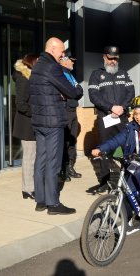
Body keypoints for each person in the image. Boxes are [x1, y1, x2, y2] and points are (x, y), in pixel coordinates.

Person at [29, 37, 83, 214]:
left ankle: (41, 201)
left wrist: (59, 93)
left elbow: (44, 91)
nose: (63, 55)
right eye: (61, 51)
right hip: (52, 122)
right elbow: (72, 91)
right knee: (53, 162)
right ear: (52, 49)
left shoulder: (37, 66)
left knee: (41, 161)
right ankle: (53, 204)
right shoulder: (53, 67)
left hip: (39, 121)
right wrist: (71, 92)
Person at [88, 46, 135, 193]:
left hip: (122, 117)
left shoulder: (124, 74)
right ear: (104, 57)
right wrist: (110, 107)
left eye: (115, 58)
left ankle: (127, 180)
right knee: (104, 149)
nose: (113, 61)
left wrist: (122, 107)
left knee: (127, 148)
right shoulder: (96, 75)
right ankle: (104, 181)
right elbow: (93, 96)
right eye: (110, 58)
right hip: (106, 118)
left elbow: (131, 93)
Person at [12, 53, 39, 200]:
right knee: (29, 157)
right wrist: (36, 112)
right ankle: (28, 188)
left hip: (30, 122)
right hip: (26, 124)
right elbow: (21, 104)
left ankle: (28, 187)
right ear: (31, 63)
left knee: (32, 157)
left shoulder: (29, 77)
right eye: (37, 62)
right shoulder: (23, 78)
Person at [58, 50, 84, 182]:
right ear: (64, 59)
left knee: (73, 140)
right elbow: (70, 91)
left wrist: (74, 91)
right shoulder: (60, 72)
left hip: (73, 110)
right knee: (64, 141)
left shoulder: (70, 74)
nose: (73, 62)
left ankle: (70, 167)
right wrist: (74, 91)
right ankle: (63, 170)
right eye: (71, 60)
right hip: (65, 110)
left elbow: (79, 91)